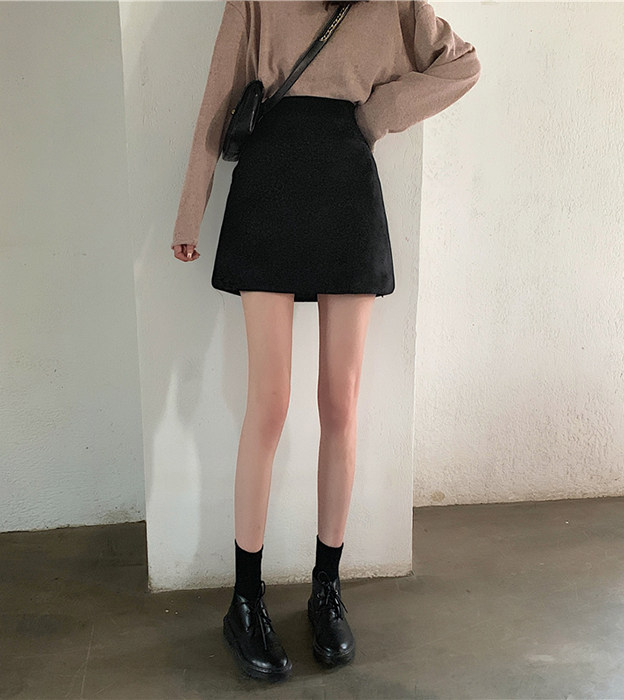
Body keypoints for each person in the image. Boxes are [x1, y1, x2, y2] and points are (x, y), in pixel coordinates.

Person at [171, 0, 481, 682]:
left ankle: (326, 589)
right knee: (270, 404)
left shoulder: (393, 3)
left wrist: (377, 114)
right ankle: (245, 601)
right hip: (269, 185)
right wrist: (191, 208)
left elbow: (462, 65)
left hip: (346, 187)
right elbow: (219, 93)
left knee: (340, 403)